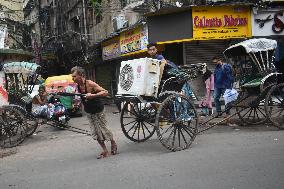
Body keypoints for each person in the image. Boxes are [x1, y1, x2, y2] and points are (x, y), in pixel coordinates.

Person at [71, 66, 117, 159]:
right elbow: (78, 98)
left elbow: (105, 92)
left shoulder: (90, 83)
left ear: (81, 75)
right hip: (89, 111)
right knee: (96, 132)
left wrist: (93, 95)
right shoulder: (77, 87)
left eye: (75, 76)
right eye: (72, 76)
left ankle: (113, 142)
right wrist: (76, 103)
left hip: (99, 110)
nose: (73, 78)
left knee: (105, 129)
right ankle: (104, 150)